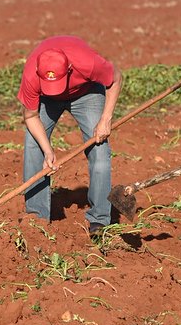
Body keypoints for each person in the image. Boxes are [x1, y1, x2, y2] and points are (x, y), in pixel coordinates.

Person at [18, 36, 122, 236]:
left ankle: (100, 221)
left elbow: (116, 78)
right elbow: (30, 116)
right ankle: (36, 217)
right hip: (45, 100)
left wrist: (105, 119)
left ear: (69, 70)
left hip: (86, 92)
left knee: (99, 149)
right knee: (33, 146)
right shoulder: (31, 75)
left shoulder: (87, 62)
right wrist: (47, 150)